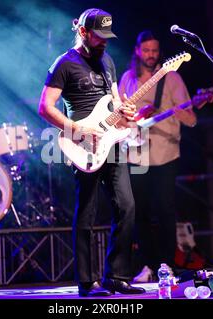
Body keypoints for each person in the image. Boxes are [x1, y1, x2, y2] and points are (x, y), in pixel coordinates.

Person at [38, 8, 145, 297]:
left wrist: (126, 111)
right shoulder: (64, 64)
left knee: (127, 206)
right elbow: (45, 107)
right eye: (99, 37)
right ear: (83, 32)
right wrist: (78, 130)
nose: (104, 42)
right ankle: (87, 282)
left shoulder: (107, 60)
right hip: (82, 144)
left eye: (107, 37)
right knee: (86, 211)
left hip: (110, 142)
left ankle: (117, 276)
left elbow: (114, 99)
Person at [118, 30, 197, 282]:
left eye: (155, 51)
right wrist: (136, 115)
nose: (151, 55)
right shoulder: (128, 79)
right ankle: (148, 265)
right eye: (147, 50)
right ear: (138, 51)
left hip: (165, 154)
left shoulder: (171, 78)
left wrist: (176, 110)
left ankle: (168, 265)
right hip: (135, 154)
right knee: (138, 212)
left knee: (165, 210)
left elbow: (191, 119)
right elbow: (119, 117)